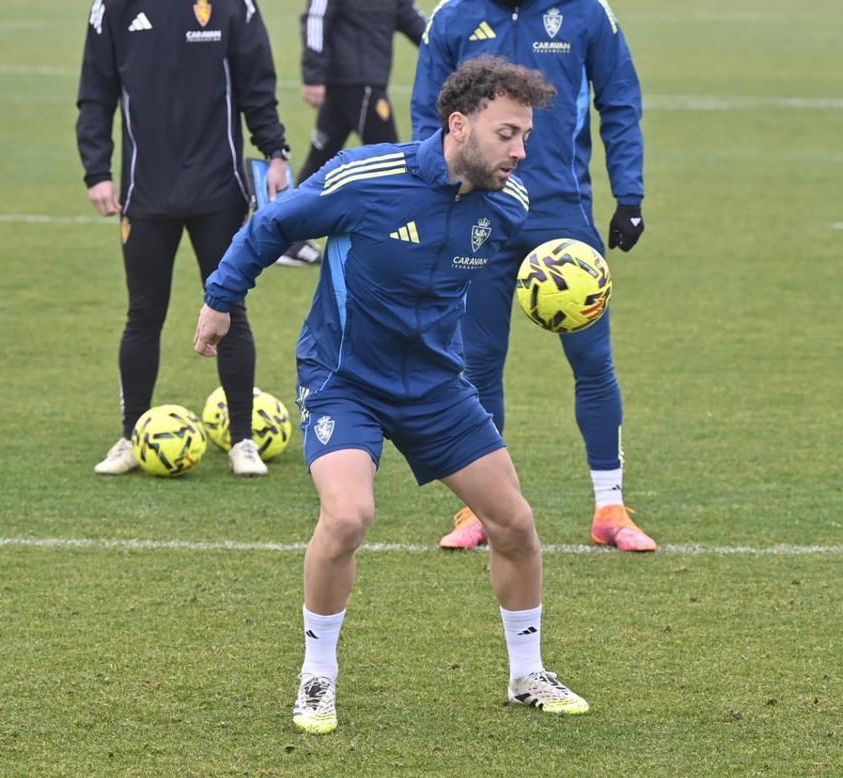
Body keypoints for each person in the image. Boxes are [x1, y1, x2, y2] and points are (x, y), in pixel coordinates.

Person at [194, 56, 588, 734]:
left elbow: (535, 264)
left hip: (436, 386)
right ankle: (317, 674)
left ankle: (527, 673)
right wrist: (221, 300)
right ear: (459, 124)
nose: (521, 151)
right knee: (348, 516)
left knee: (516, 523)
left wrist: (571, 278)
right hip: (344, 378)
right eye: (507, 134)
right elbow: (273, 225)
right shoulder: (365, 177)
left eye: (527, 135)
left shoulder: (508, 203)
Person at [410, 0, 655, 551]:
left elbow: (619, 102)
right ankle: (478, 508)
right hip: (477, 214)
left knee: (593, 361)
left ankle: (610, 507)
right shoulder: (452, 16)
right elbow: (427, 114)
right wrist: (432, 197)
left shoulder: (588, 13)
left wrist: (629, 194)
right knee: (477, 362)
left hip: (561, 217)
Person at [77, 0, 293, 477]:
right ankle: (130, 435)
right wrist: (97, 170)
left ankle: (242, 440)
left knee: (230, 309)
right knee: (144, 313)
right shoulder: (112, 7)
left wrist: (274, 150)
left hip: (219, 190)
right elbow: (96, 91)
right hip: (145, 190)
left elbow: (257, 81)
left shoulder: (234, 5)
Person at [277, 0, 428, 268]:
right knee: (391, 159)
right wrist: (313, 75)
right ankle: (401, 240)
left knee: (320, 159)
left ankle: (286, 237)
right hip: (356, 83)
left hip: (362, 82)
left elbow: (413, 20)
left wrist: (450, 45)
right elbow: (316, 17)